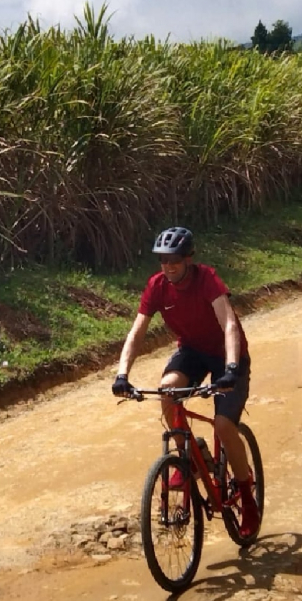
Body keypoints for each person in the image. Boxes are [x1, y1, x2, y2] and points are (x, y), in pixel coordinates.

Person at [112, 226, 259, 538]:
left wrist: (231, 368)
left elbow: (229, 322)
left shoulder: (207, 279)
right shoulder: (157, 286)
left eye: (175, 260)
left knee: (222, 425)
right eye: (163, 260)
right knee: (167, 391)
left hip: (226, 355)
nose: (168, 266)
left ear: (189, 259)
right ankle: (187, 459)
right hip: (192, 351)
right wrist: (122, 374)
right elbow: (137, 332)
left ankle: (247, 498)